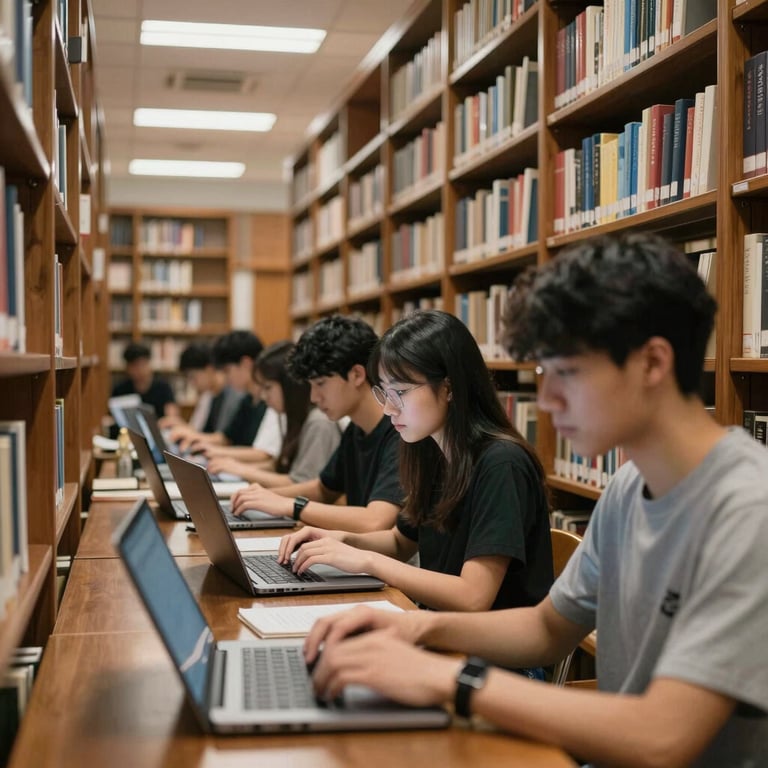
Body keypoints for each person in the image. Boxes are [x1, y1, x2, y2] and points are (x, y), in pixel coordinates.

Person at [300, 232, 768, 768]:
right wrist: (414, 626)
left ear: (652, 363)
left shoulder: (748, 510)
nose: (545, 401)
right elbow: (547, 628)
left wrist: (445, 676)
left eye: (567, 373)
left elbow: (663, 735)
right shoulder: (626, 489)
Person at [277, 310, 552, 615]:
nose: (389, 408)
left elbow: (473, 597)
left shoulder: (502, 464)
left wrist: (368, 561)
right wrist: (341, 541)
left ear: (448, 387)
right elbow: (400, 542)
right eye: (384, 391)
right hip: (439, 630)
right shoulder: (429, 451)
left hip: (490, 653)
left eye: (401, 392)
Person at [230, 315, 404, 533]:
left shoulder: (400, 432)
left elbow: (375, 521)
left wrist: (291, 505)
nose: (313, 397)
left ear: (357, 374)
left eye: (321, 384)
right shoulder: (356, 429)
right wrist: (264, 496)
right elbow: (323, 489)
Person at [207, 340, 342, 486]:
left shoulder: (319, 423)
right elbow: (279, 467)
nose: (264, 396)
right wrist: (236, 468)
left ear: (290, 385)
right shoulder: (290, 417)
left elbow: (301, 483)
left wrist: (243, 471)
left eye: (268, 388)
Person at [168, 330, 280, 462]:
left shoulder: (272, 401)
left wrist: (214, 451)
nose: (225, 378)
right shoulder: (247, 400)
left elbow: (264, 454)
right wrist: (202, 443)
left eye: (227, 371)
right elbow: (227, 438)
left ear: (246, 364)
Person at [159, 342, 244, 434]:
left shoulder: (233, 394)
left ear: (209, 369)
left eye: (193, 377)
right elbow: (199, 431)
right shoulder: (209, 395)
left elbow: (223, 438)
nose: (192, 383)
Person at [111, 341, 179, 420]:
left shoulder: (163, 388)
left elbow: (172, 416)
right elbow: (114, 417)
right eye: (135, 366)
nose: (140, 370)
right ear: (128, 368)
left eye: (143, 364)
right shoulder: (120, 390)